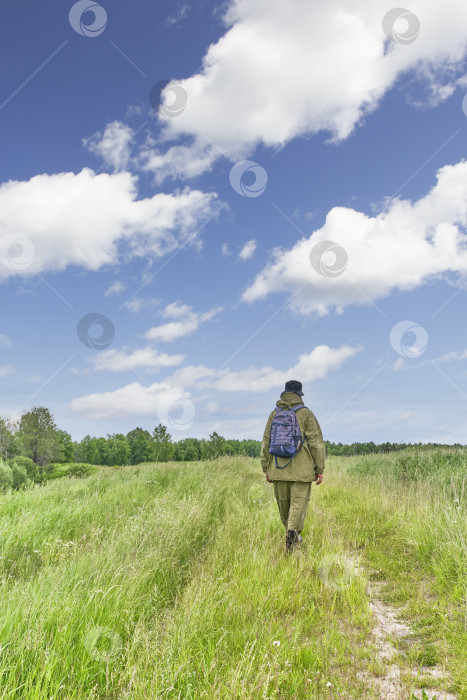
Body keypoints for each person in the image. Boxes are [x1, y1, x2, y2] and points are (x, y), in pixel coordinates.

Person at [260, 379, 325, 552]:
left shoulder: (274, 414)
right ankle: (292, 539)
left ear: (284, 392)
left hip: (278, 469)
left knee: (285, 508)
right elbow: (316, 443)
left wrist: (266, 468)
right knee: (298, 506)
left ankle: (291, 538)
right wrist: (319, 469)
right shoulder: (306, 414)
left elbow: (266, 443)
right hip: (302, 471)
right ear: (300, 395)